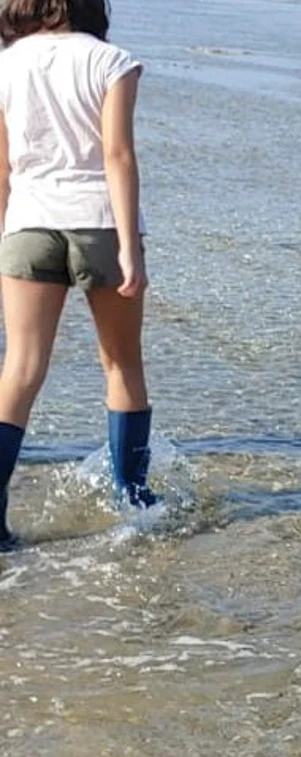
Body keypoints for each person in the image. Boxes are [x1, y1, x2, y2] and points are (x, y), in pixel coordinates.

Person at [0, 0, 153, 549]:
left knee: (20, 368)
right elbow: (117, 156)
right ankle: (133, 504)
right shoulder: (111, 61)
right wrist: (130, 248)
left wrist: (3, 235)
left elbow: (4, 165)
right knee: (121, 364)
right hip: (100, 224)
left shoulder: (8, 63)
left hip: (28, 225)